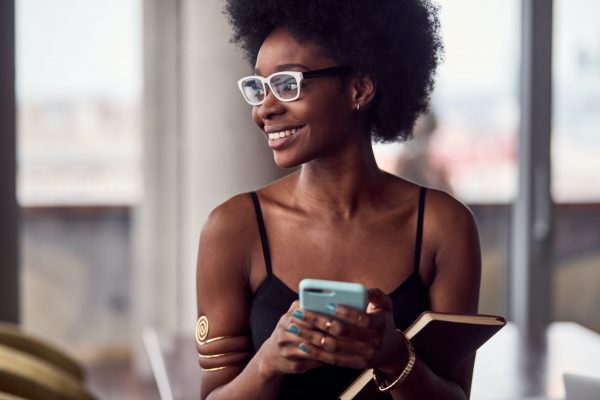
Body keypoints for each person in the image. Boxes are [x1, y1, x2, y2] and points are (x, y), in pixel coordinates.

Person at [195, 1, 481, 399]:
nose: (265, 109)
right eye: (258, 88)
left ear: (358, 88)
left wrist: (395, 357)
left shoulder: (442, 226)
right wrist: (268, 362)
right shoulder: (233, 229)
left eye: (287, 84)